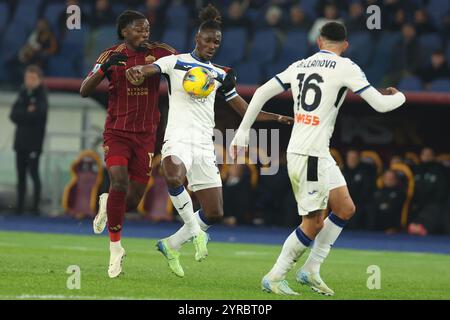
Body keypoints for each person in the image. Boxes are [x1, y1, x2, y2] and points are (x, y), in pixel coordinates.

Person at [230, 21, 406, 295]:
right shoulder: (347, 67)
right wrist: (401, 97)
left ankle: (310, 270)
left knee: (345, 208)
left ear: (319, 42)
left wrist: (242, 131)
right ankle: (274, 276)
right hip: (309, 154)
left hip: (315, 152)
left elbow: (262, 91)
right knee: (313, 222)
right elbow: (382, 105)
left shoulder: (300, 64)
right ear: (344, 46)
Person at [126, 4, 293, 278]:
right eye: (208, 40)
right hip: (178, 136)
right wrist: (137, 72)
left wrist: (278, 118)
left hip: (205, 143)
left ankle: (171, 244)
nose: (212, 45)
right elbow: (149, 69)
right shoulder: (175, 61)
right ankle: (195, 233)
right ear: (197, 39)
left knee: (214, 212)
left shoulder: (222, 74)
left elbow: (245, 110)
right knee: (174, 177)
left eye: (217, 41)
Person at [79, 10, 176, 278]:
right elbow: (84, 90)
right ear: (124, 31)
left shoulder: (161, 53)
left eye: (147, 28)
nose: (145, 32)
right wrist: (105, 70)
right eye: (139, 29)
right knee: (119, 181)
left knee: (130, 201)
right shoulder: (109, 55)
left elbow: (187, 66)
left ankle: (107, 201)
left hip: (146, 134)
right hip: (117, 132)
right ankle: (115, 249)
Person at [9, 65, 48, 215]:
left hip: (34, 143)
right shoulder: (22, 93)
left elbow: (38, 115)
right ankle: (19, 207)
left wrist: (23, 114)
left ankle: (35, 208)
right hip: (20, 142)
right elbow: (13, 115)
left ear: (39, 79)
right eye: (27, 78)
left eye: (32, 78)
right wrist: (27, 112)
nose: (29, 81)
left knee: (33, 173)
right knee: (20, 176)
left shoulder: (42, 95)